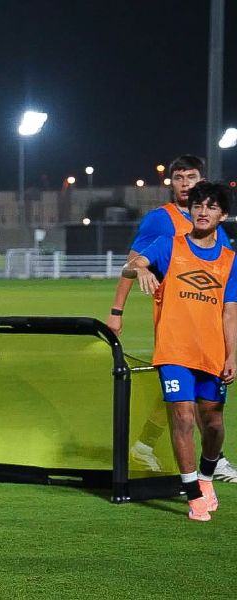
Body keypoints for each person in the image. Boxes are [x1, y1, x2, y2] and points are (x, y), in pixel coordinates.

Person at [107, 154, 237, 482]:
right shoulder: (161, 222)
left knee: (199, 404)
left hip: (209, 325)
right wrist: (116, 312)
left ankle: (148, 445)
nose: (183, 184)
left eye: (190, 177)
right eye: (178, 178)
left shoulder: (213, 225)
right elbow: (133, 263)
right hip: (177, 322)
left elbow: (224, 287)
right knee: (184, 396)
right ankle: (206, 471)